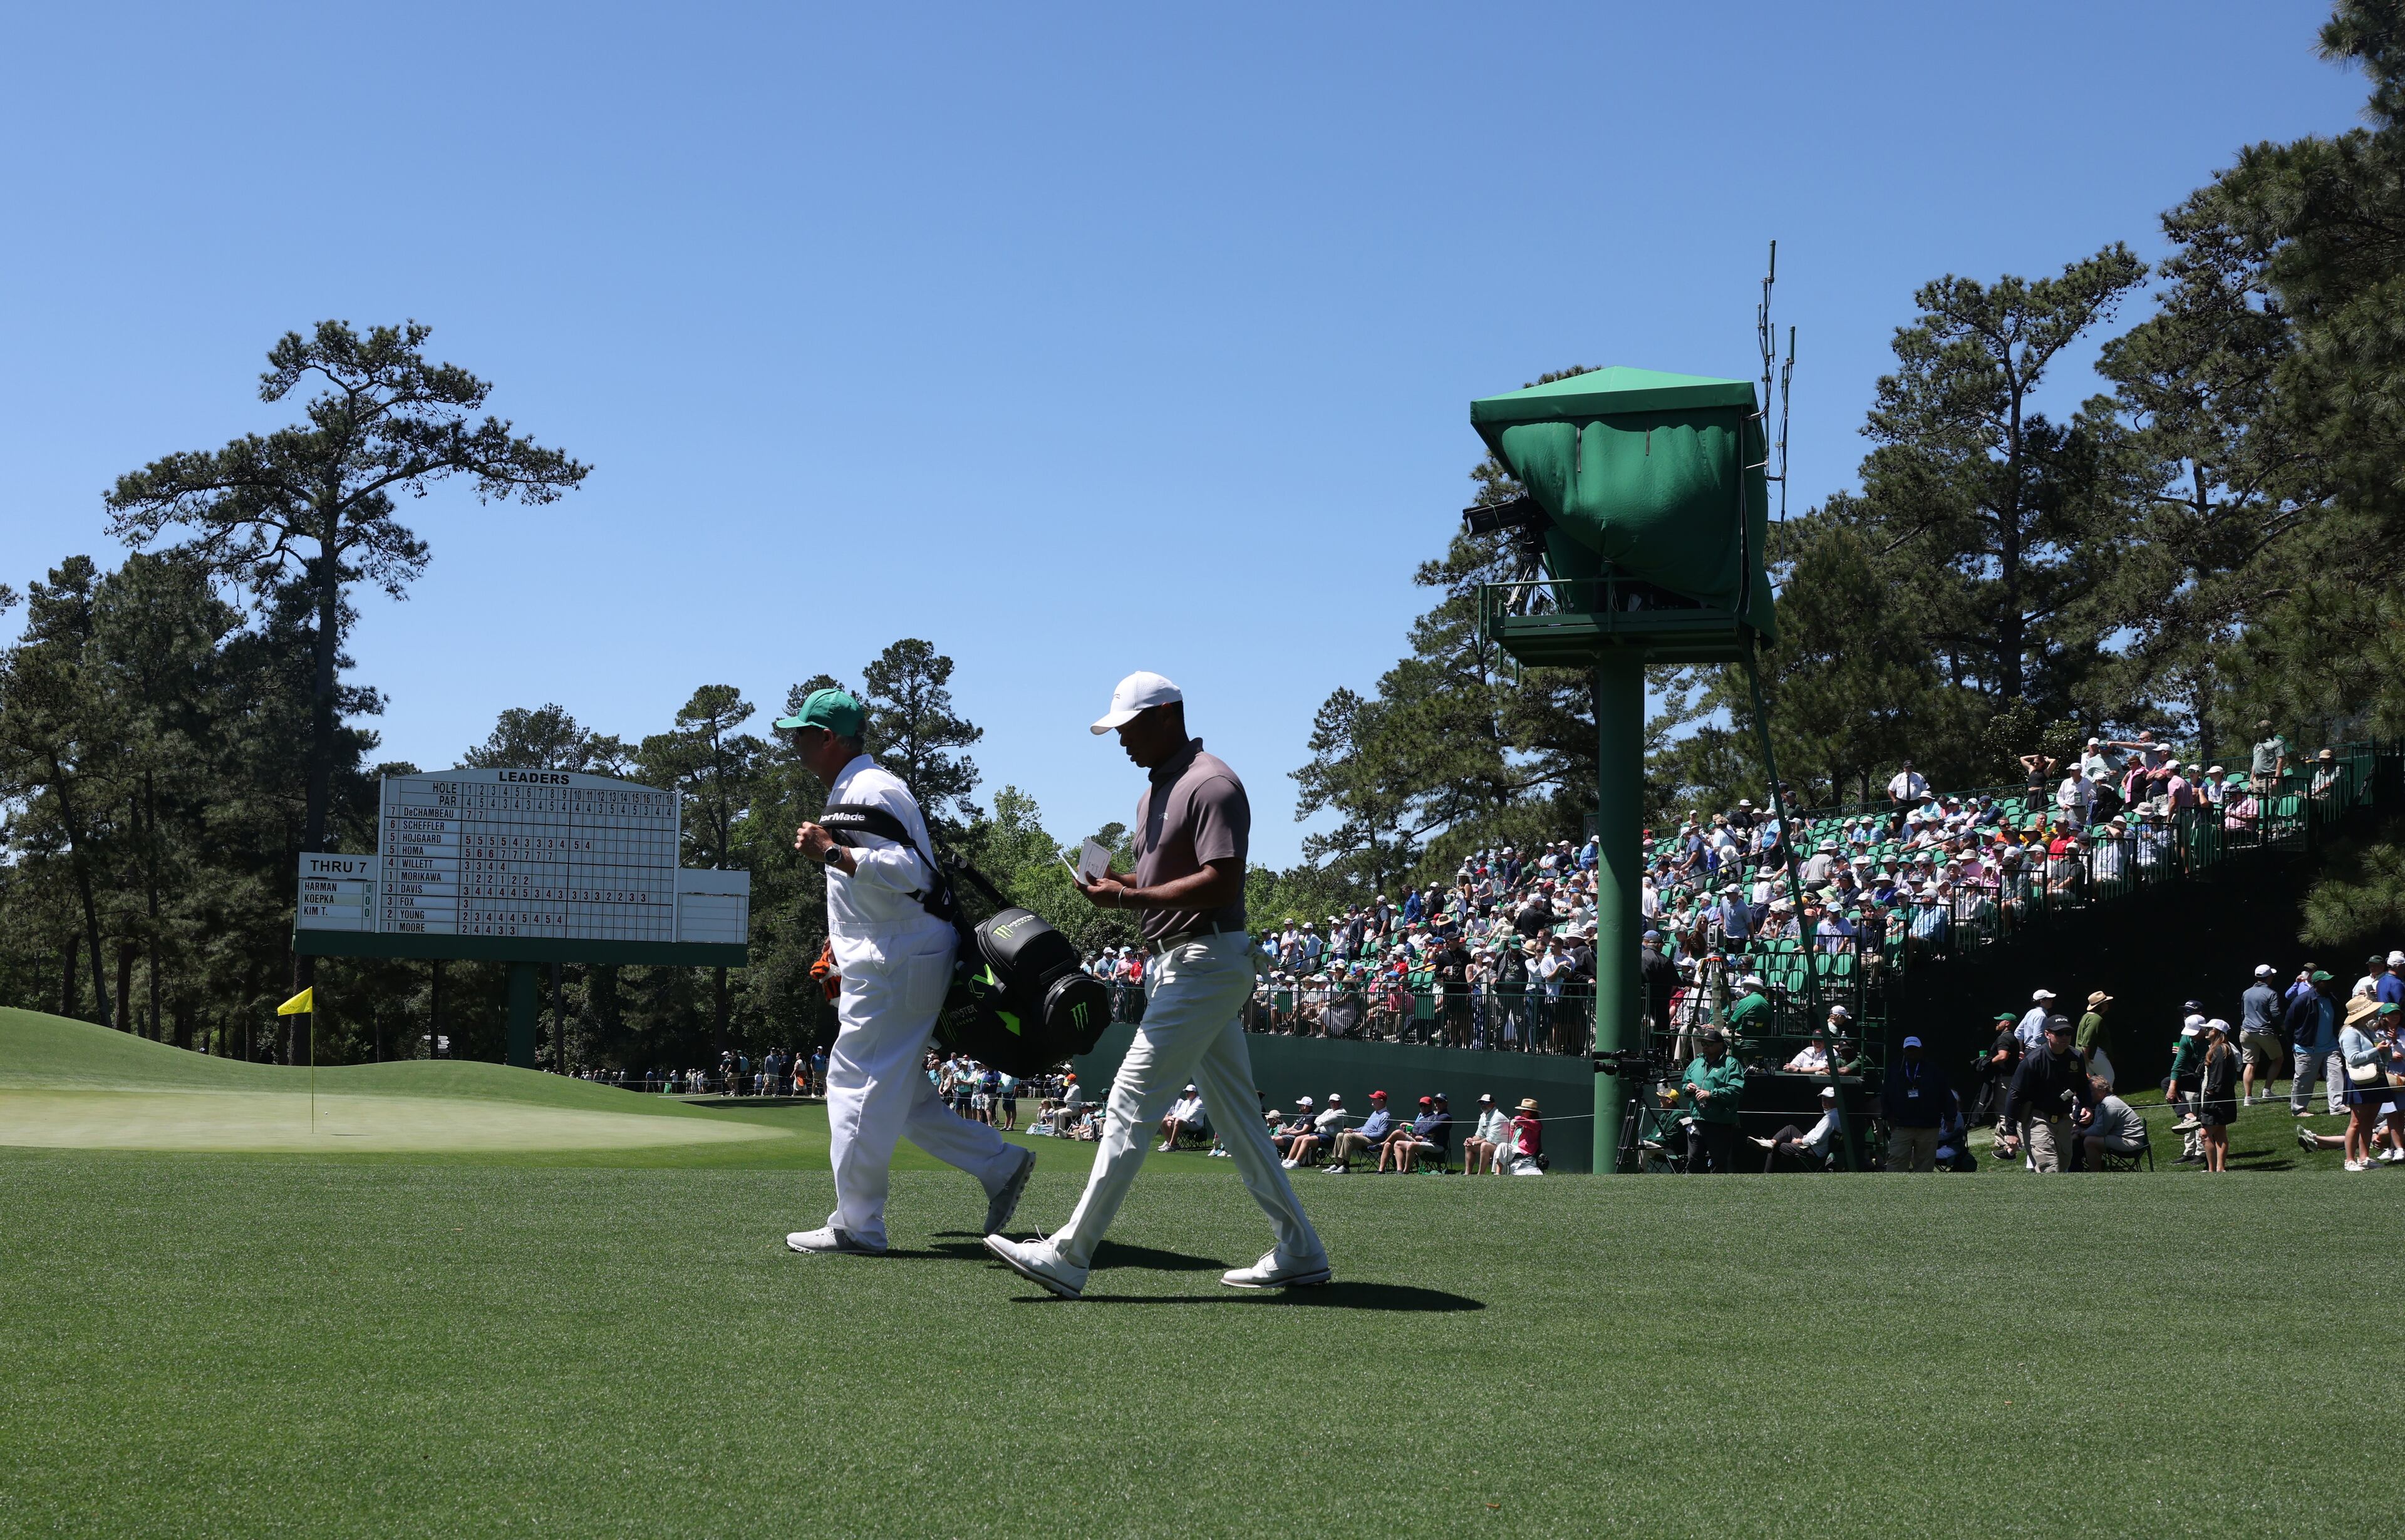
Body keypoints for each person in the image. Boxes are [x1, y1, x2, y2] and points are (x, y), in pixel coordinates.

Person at [988, 672, 1328, 1299]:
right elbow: (1159, 882)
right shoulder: (1152, 796)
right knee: (1240, 1122)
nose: (1120, 740)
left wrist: (1130, 895)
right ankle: (1300, 1248)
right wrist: (1116, 881)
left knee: (1128, 1100)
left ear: (1168, 715)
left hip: (1206, 958)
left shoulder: (1212, 783)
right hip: (1178, 963)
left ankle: (1069, 1252)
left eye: (1129, 726)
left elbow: (1221, 883)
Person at [781, 688, 1033, 1256]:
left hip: (896, 963)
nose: (793, 741)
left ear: (830, 738)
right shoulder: (860, 788)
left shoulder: (871, 789)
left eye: (801, 732)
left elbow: (910, 873)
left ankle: (858, 1223)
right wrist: (840, 938)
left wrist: (830, 852)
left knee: (852, 1086)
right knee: (905, 1097)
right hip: (894, 955)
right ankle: (1001, 1164)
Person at [1999, 1015, 2096, 1173]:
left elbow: (2083, 1086)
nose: (2065, 1037)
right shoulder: (2033, 1060)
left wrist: (2087, 1106)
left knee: (2064, 1165)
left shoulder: (2076, 1057)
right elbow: (2014, 1095)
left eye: (2068, 1033)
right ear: (2047, 1034)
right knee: (2050, 1169)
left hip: (2065, 1120)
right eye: (2059, 1033)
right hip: (2037, 1120)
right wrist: (2010, 1132)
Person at [1879, 1035, 1949, 1171]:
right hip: (1902, 1126)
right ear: (1904, 1051)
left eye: (1915, 1049)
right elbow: (1886, 1094)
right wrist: (1888, 1116)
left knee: (1925, 1165)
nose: (1912, 1053)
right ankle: (1893, 1191)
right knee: (1896, 1162)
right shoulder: (1894, 1070)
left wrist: (1950, 1116)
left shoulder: (1933, 1070)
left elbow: (1945, 1093)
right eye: (1909, 1050)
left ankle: (1922, 1191)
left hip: (1929, 1126)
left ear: (1921, 1050)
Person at [1682, 1027, 1746, 1173]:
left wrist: (1711, 1094)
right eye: (1703, 1043)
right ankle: (1689, 1193)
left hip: (1720, 1122)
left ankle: (1717, 1193)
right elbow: (1684, 1084)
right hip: (1697, 1121)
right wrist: (1688, 1088)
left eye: (1709, 1044)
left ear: (1720, 1045)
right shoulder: (1696, 1063)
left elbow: (1736, 1090)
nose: (1705, 1047)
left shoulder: (1731, 1064)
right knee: (1693, 1161)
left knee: (1719, 1162)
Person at [2287, 969, 2343, 1118]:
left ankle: (2337, 1106)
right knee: (2304, 1080)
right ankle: (2299, 1110)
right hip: (2307, 1048)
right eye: (2326, 981)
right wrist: (2296, 1043)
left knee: (2336, 1076)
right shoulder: (2302, 1000)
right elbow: (2289, 1024)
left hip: (2331, 1046)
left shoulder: (2332, 999)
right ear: (2317, 983)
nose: (2330, 984)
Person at [1757, 1085, 1841, 1171]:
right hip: (1813, 1146)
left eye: (1828, 1098)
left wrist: (1801, 1141)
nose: (1824, 1101)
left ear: (1836, 1100)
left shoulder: (1831, 1118)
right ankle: (1771, 1142)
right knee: (1790, 1129)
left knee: (1778, 1147)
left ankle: (1767, 1175)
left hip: (1814, 1152)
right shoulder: (1835, 1115)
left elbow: (1816, 1140)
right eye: (1823, 1098)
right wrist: (1806, 1138)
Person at [2195, 1020, 2240, 1172]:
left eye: (2210, 1029)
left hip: (2216, 1100)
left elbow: (2217, 1079)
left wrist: (2210, 1093)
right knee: (2220, 1133)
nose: (2206, 1031)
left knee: (2204, 1134)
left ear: (2218, 1031)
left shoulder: (2221, 1050)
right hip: (2221, 1100)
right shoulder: (2220, 1049)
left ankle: (2212, 1170)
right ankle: (2220, 1169)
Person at [2080, 1076, 2149, 1168]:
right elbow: (2098, 1127)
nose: (2090, 1094)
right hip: (2120, 1138)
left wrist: (2081, 1133)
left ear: (2103, 1090)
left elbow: (2100, 1131)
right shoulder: (2102, 1103)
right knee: (2085, 1138)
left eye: (2092, 1091)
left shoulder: (2109, 1104)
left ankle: (2095, 1174)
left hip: (2131, 1142)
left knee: (2090, 1141)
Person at [2239, 964, 2283, 1105]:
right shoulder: (2271, 993)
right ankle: (2267, 1091)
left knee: (2250, 1064)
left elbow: (2243, 1012)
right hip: (2263, 1031)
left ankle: (2248, 1098)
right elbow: (2275, 1013)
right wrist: (2283, 1026)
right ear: (2269, 977)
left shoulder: (2246, 992)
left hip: (2246, 1031)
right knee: (2278, 1059)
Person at [1324, 1089, 1393, 1172]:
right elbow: (1365, 1127)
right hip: (1363, 1139)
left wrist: (1363, 1134)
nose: (1372, 1101)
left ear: (1381, 1101)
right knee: (1340, 1135)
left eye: (1374, 1099)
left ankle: (1346, 1167)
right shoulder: (1375, 1113)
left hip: (1374, 1142)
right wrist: (1354, 1131)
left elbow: (1380, 1135)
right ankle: (1338, 1164)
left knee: (1348, 1137)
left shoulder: (1385, 1116)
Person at [2076, 991, 2118, 1090]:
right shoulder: (2096, 1019)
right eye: (2106, 1003)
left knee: (2085, 1082)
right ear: (2101, 1005)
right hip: (2093, 1054)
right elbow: (2087, 1040)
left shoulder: (2087, 1016)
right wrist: (2086, 1059)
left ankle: (2079, 1103)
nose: (2108, 1005)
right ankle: (2105, 1102)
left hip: (2085, 1054)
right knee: (2109, 1078)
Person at [1464, 1092, 1508, 1175]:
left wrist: (1475, 1143)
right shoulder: (1483, 1117)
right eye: (1481, 1103)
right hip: (1493, 1146)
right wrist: (1471, 1140)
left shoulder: (1497, 1117)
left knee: (1485, 1145)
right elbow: (1479, 1134)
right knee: (1469, 1146)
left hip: (1503, 1149)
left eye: (1486, 1103)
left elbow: (1491, 1139)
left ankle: (1480, 1175)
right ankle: (1467, 1174)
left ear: (1493, 1104)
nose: (1483, 1105)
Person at [1157, 1083, 1209, 1152]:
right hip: (1187, 1123)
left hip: (1196, 1126)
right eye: (1186, 1092)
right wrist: (1171, 1117)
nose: (1187, 1094)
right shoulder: (1186, 1102)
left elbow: (1188, 1117)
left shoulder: (1199, 1103)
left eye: (1189, 1092)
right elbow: (1180, 1113)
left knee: (1178, 1121)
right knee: (1164, 1121)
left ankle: (1171, 1146)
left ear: (1194, 1093)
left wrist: (1174, 1119)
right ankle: (1173, 1144)